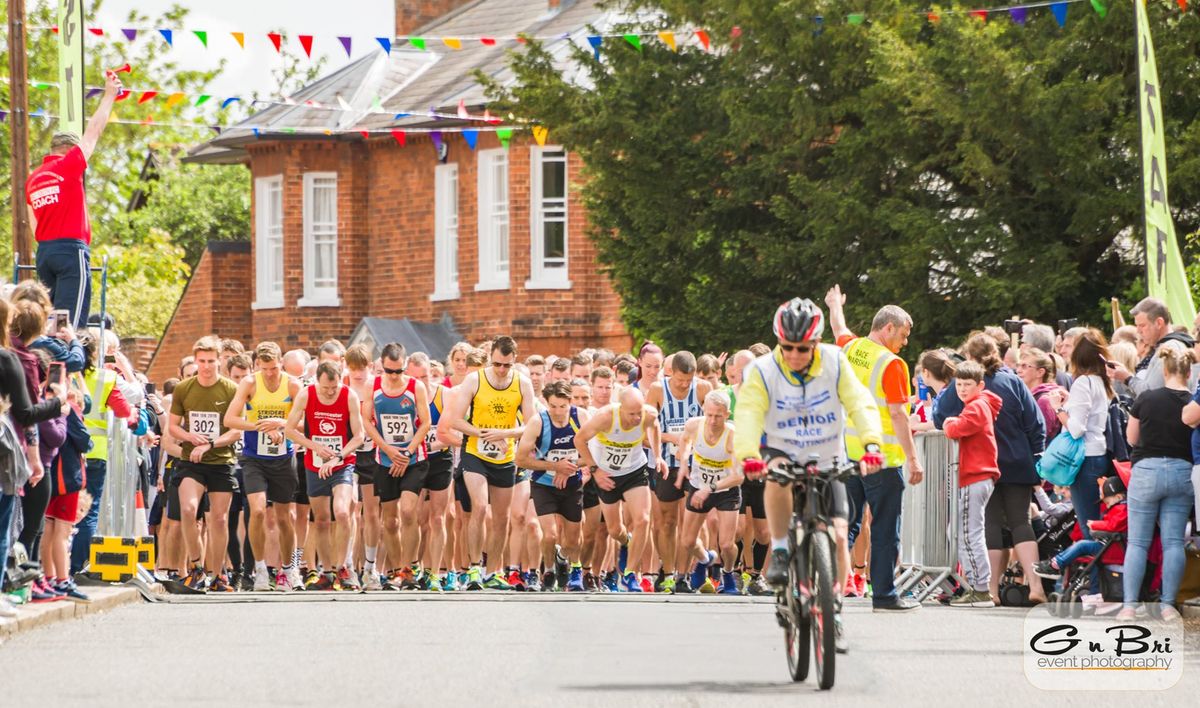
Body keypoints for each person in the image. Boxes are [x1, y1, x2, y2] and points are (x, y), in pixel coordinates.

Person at [735, 297, 887, 656]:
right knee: (776, 478)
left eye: (802, 348)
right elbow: (748, 414)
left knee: (836, 535)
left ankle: (833, 611)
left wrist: (871, 444)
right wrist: (747, 454)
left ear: (817, 343)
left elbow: (860, 402)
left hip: (826, 454)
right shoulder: (762, 370)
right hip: (782, 450)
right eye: (787, 347)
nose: (794, 354)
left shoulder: (835, 361)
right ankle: (783, 551)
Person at [825, 285, 923, 612]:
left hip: (848, 454)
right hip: (882, 458)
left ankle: (823, 585)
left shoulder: (852, 349)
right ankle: (884, 595)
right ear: (888, 327)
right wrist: (912, 458)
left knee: (848, 524)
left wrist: (834, 304)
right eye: (904, 334)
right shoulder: (892, 365)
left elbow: (838, 328)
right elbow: (897, 414)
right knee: (883, 528)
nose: (905, 342)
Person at [935, 333, 1047, 605]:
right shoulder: (1013, 381)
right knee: (1022, 523)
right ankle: (1036, 587)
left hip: (984, 463)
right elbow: (1036, 423)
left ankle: (992, 590)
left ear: (970, 357)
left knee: (991, 526)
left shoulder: (967, 384)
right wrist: (1035, 455)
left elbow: (940, 417)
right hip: (1019, 461)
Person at [24, 71, 122, 329]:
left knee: (49, 321)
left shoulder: (33, 179)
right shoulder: (69, 165)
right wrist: (109, 95)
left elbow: (33, 224)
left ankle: (49, 366)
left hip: (44, 253)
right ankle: (69, 366)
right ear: (70, 149)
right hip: (70, 250)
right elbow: (94, 131)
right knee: (71, 324)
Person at [445, 336, 538, 590]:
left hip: (505, 456)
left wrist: (505, 434)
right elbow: (454, 420)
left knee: (501, 517)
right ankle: (474, 568)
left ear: (514, 362)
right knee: (479, 508)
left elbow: (533, 424)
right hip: (475, 452)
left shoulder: (523, 384)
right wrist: (483, 433)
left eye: (506, 365)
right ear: (491, 359)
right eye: (497, 364)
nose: (500, 370)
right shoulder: (475, 380)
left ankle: (493, 571)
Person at [1120, 346, 1196, 621]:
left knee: (1138, 543)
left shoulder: (1147, 398)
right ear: (1189, 372)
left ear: (1164, 369)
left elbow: (1131, 438)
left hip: (1147, 470)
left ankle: (1129, 605)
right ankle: (1167, 605)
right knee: (1173, 542)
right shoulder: (1192, 402)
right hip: (1181, 471)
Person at [223, 341, 301, 591]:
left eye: (274, 368)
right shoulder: (249, 383)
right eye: (265, 368)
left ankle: (289, 570)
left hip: (282, 457)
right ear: (257, 365)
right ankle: (259, 570)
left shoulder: (293, 384)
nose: (269, 373)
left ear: (281, 364)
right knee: (256, 511)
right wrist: (261, 425)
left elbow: (305, 423)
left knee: (284, 516)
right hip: (253, 456)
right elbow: (230, 419)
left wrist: (280, 423)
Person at [573, 386, 665, 592]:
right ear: (620, 408)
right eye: (631, 413)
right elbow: (578, 440)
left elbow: (655, 426)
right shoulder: (605, 417)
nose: (636, 418)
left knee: (643, 519)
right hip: (607, 474)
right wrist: (595, 470)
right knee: (614, 530)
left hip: (634, 470)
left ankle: (630, 574)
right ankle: (626, 542)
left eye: (638, 413)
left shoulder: (647, 414)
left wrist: (658, 455)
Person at [284, 361, 366, 591]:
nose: (330, 392)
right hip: (315, 464)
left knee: (341, 511)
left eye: (334, 387)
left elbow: (359, 436)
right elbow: (289, 430)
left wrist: (338, 456)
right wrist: (314, 446)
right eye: (325, 388)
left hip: (342, 462)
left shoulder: (348, 396)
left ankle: (343, 567)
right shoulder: (306, 394)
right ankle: (327, 572)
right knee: (320, 519)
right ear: (317, 381)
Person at [168, 337, 241, 592]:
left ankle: (219, 575)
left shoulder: (231, 389)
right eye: (202, 361)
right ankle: (197, 567)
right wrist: (189, 437)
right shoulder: (183, 389)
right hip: (192, 461)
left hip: (221, 461)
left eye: (211, 361)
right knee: (188, 510)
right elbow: (173, 426)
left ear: (220, 360)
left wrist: (210, 444)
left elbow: (236, 431)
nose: (207, 366)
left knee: (219, 520)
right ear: (195, 360)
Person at [366, 344, 433, 590]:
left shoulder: (416, 387)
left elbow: (425, 423)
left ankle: (408, 569)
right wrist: (387, 449)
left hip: (413, 459)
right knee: (390, 521)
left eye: (399, 371)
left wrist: (406, 452)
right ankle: (395, 571)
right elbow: (366, 420)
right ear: (382, 365)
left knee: (408, 512)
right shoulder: (373, 386)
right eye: (389, 371)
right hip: (384, 459)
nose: (394, 376)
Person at [645, 351, 712, 590]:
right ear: (671, 371)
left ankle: (685, 575)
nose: (684, 384)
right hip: (666, 465)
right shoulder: (657, 389)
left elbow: (714, 425)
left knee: (691, 521)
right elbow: (646, 431)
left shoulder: (703, 389)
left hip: (695, 465)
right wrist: (671, 437)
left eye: (689, 380)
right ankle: (668, 572)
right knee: (667, 521)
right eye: (680, 379)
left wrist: (691, 439)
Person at [516, 380, 590, 592]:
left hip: (572, 482)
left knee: (573, 538)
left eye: (563, 406)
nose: (558, 412)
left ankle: (562, 557)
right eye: (553, 406)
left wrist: (569, 467)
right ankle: (548, 570)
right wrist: (554, 466)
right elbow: (520, 459)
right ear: (546, 404)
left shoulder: (582, 418)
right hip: (543, 483)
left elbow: (594, 456)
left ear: (570, 402)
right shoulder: (538, 422)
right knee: (549, 535)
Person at [940, 361, 1002, 608]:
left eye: (968, 384)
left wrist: (947, 423)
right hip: (976, 476)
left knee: (968, 533)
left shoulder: (976, 407)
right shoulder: (978, 405)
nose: (962, 389)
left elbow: (957, 428)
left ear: (980, 385)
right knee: (961, 532)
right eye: (959, 384)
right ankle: (975, 585)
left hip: (975, 475)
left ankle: (980, 588)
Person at [673, 389, 743, 595]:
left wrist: (710, 489)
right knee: (687, 540)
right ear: (704, 411)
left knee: (727, 544)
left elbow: (739, 476)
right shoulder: (694, 425)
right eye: (709, 414)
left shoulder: (733, 436)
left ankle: (728, 574)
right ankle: (706, 559)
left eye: (718, 416)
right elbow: (684, 441)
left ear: (727, 415)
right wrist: (685, 462)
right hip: (698, 485)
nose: (712, 420)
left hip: (726, 490)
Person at [1046, 330, 1113, 541]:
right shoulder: (1101, 382)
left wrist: (1058, 409)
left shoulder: (1083, 382)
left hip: (1085, 458)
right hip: (1098, 453)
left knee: (1088, 528)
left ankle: (1095, 574)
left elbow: (1076, 429)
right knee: (1096, 523)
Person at [1034, 476, 1126, 579]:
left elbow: (1113, 524)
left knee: (1082, 545)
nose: (1106, 504)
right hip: (1109, 546)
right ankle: (1054, 563)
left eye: (1107, 502)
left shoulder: (1122, 509)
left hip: (1114, 549)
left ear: (1118, 497)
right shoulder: (1118, 508)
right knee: (1081, 545)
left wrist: (1095, 524)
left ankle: (1055, 565)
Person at [1108, 298, 1197, 397]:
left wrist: (1127, 378)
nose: (1138, 331)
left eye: (1142, 325)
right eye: (1137, 326)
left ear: (1159, 323)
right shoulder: (1172, 345)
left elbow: (1152, 394)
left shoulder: (1169, 349)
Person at [1017, 348, 1064, 443]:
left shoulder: (1044, 400)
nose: (1018, 370)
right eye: (1018, 366)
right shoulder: (1029, 396)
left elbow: (1040, 437)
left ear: (1040, 372)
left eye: (1024, 366)